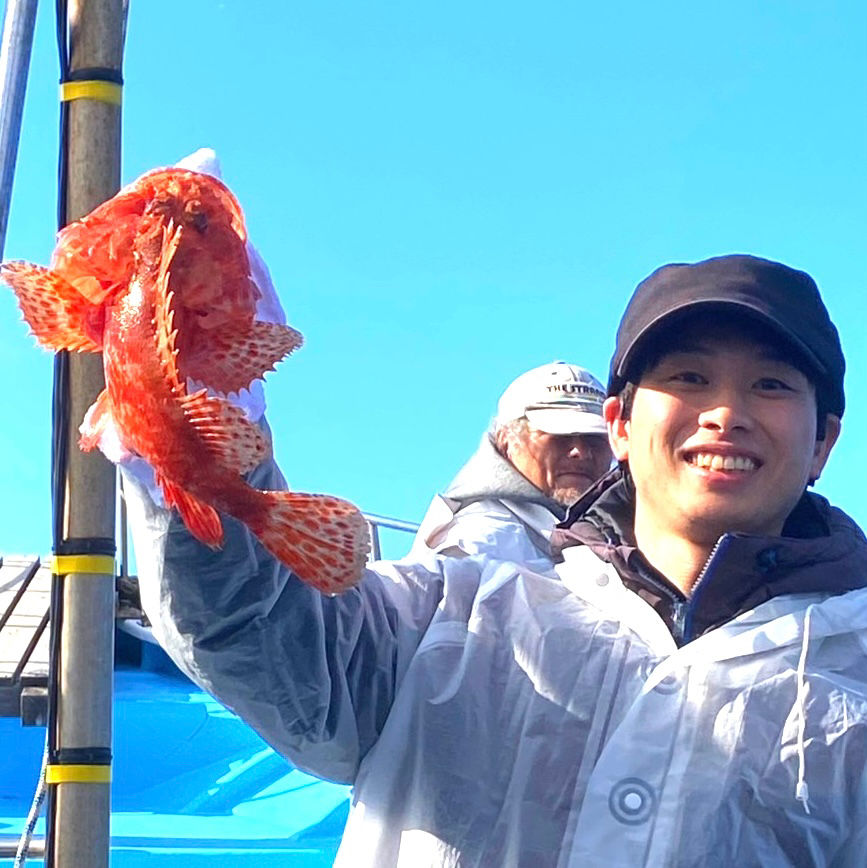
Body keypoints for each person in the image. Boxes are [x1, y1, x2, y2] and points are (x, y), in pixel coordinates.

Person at [125, 253, 867, 867]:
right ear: (619, 424)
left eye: (771, 384)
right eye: (688, 378)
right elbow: (258, 631)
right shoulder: (451, 612)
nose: (725, 413)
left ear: (823, 443)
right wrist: (196, 438)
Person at [411, 361, 612, 564]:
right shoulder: (480, 541)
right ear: (506, 441)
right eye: (560, 436)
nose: (580, 452)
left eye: (595, 438)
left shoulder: (617, 528)